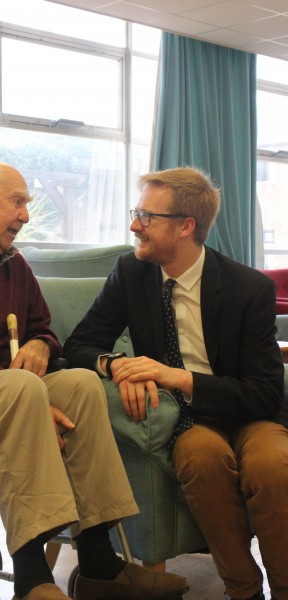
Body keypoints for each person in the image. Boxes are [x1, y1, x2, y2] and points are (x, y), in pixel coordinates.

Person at [0, 161, 188, 600]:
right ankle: (33, 579)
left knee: (82, 385)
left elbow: (44, 328)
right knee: (23, 389)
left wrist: (42, 346)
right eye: (17, 202)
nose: (26, 215)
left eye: (26, 203)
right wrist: (31, 402)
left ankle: (98, 564)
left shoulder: (12, 263)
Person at [63, 166, 288, 600]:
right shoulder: (131, 273)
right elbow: (80, 344)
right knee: (201, 460)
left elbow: (264, 393)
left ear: (186, 226)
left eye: (147, 216)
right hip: (185, 420)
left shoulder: (249, 288)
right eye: (136, 213)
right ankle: (243, 591)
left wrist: (177, 377)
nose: (134, 226)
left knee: (273, 465)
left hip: (249, 415)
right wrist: (116, 366)